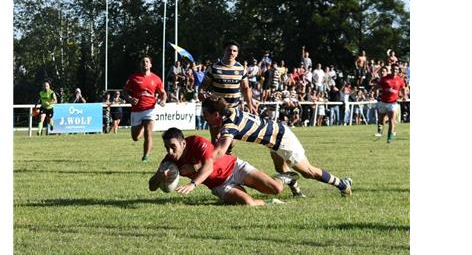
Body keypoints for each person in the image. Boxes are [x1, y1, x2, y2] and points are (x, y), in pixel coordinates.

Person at [201, 96, 353, 197]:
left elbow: (220, 151)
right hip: (274, 137)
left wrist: (203, 163)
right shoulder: (229, 111)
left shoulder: (229, 125)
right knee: (280, 169)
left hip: (282, 139)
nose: (204, 119)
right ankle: (297, 191)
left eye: (205, 115)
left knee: (308, 171)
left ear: (216, 114)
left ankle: (342, 184)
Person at [148, 128, 294, 206]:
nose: (170, 152)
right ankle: (270, 203)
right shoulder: (169, 160)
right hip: (219, 186)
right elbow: (152, 187)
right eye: (167, 147)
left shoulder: (197, 142)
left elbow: (208, 167)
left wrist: (193, 184)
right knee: (248, 203)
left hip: (235, 167)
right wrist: (158, 177)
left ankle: (284, 177)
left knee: (276, 189)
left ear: (183, 143)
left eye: (173, 147)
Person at [124, 56, 167, 162]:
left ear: (151, 65)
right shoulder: (133, 78)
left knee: (149, 133)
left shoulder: (156, 79)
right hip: (136, 110)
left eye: (147, 62)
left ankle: (145, 157)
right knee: (135, 137)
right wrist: (129, 98)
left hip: (150, 109)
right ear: (140, 64)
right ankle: (142, 126)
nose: (145, 63)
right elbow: (124, 91)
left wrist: (163, 100)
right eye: (143, 62)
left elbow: (163, 93)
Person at [373, 64, 406, 143]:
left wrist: (404, 95)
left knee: (392, 120)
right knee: (381, 120)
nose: (395, 71)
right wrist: (374, 93)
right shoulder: (384, 79)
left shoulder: (400, 80)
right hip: (383, 102)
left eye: (396, 69)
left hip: (393, 103)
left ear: (398, 71)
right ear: (391, 69)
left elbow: (403, 88)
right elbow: (377, 86)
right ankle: (380, 130)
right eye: (394, 69)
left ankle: (389, 138)